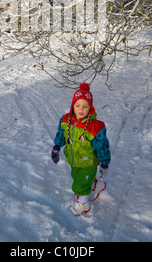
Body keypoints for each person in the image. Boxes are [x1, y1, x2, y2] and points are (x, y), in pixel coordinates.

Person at [51, 83, 111, 216]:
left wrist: (104, 164)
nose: (81, 109)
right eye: (78, 105)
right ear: (73, 105)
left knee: (80, 186)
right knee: (77, 177)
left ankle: (83, 205)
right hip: (73, 160)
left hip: (88, 163)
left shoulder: (94, 127)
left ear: (91, 108)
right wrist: (56, 147)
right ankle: (95, 185)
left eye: (85, 106)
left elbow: (102, 146)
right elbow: (61, 134)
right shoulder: (66, 120)